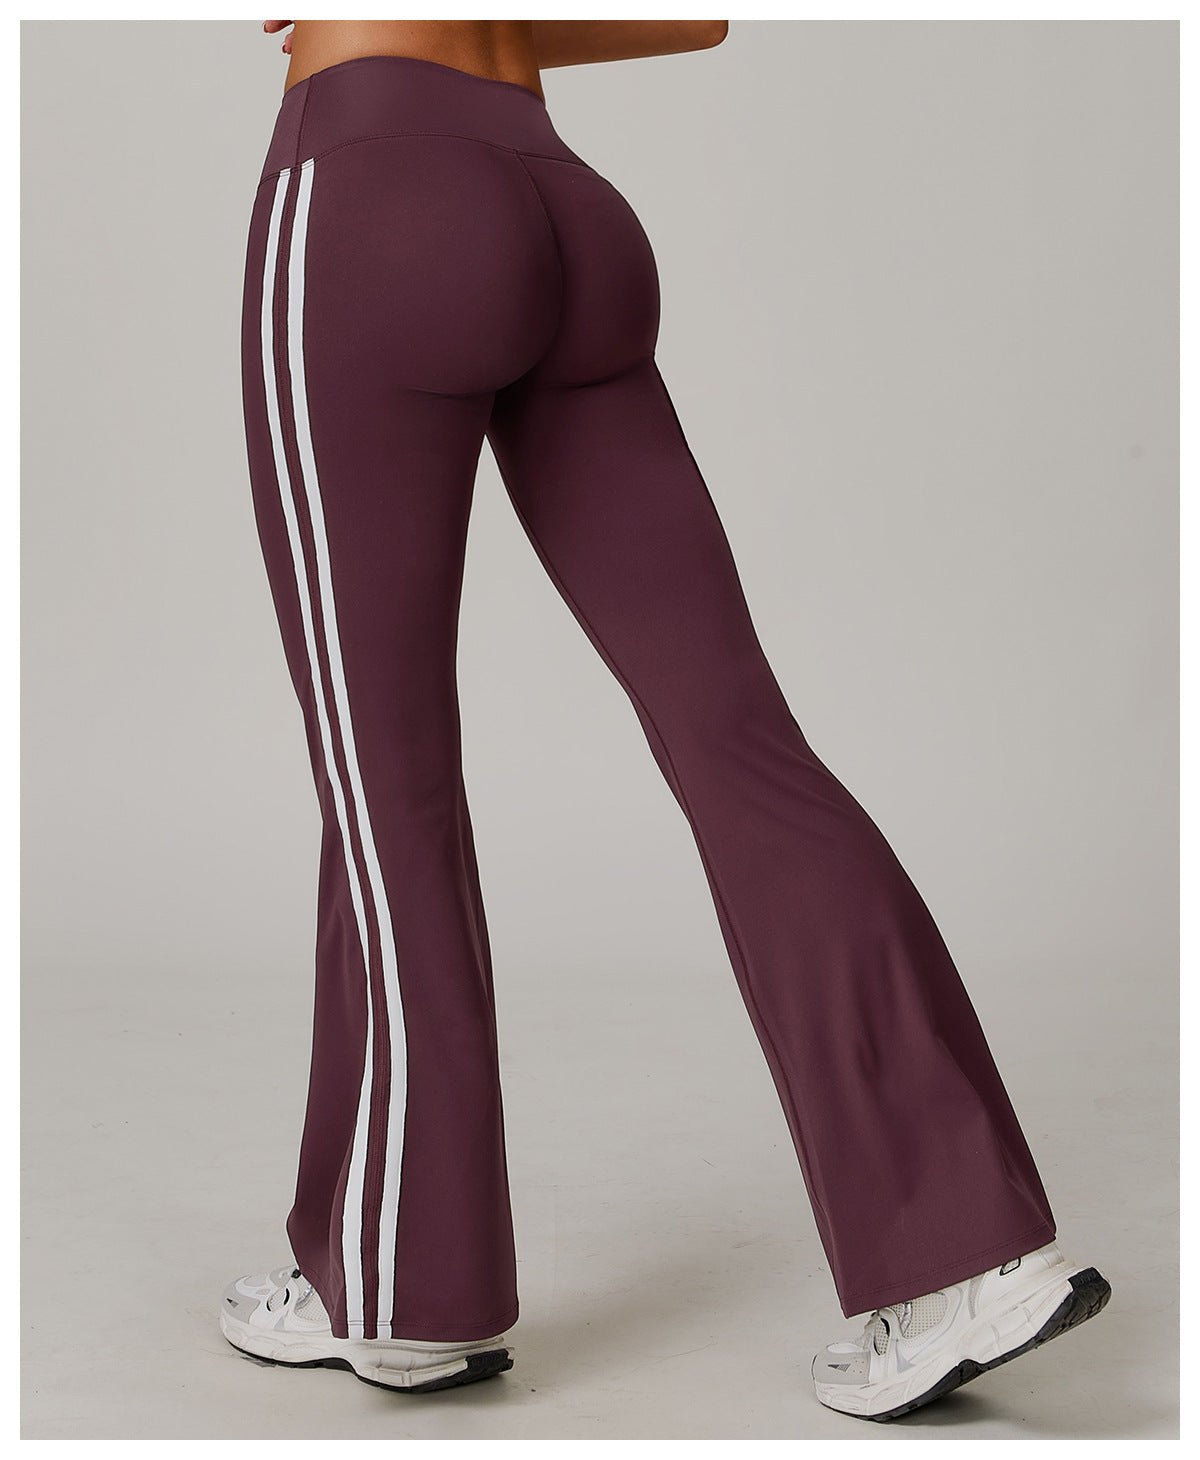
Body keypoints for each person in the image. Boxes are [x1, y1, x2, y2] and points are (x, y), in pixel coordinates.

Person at [219, 19, 1110, 1421]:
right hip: (564, 207)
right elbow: (696, 11)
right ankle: (969, 1259)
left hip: (371, 195)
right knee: (739, 739)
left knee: (383, 774)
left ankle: (398, 1294)